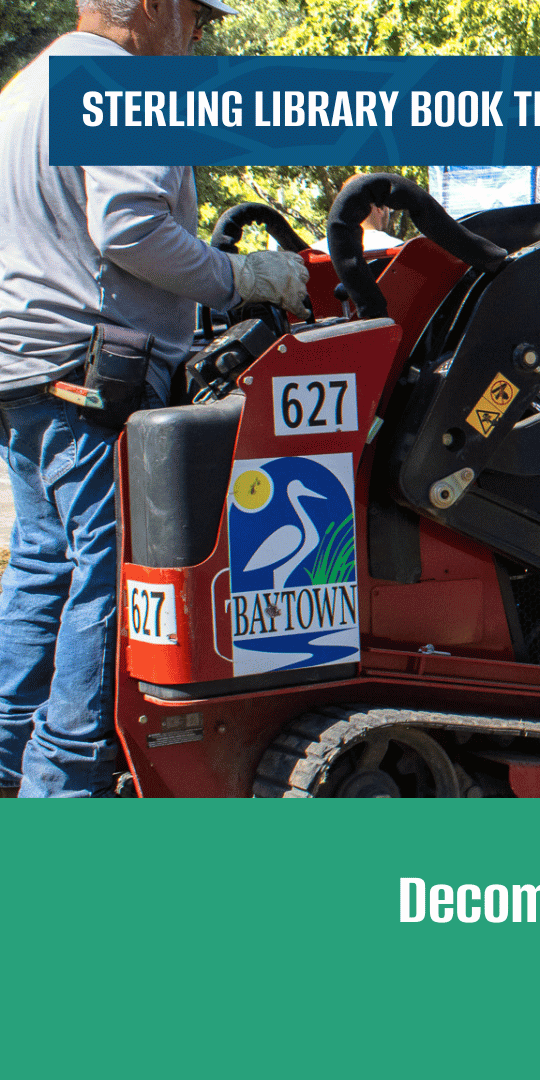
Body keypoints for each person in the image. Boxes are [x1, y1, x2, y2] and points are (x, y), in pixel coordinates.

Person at [0, 0, 309, 797]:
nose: (198, 35)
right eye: (197, 17)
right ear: (149, 6)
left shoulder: (28, 88)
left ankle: (7, 753)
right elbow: (130, 229)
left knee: (44, 562)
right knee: (111, 572)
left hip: (26, 372)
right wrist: (237, 276)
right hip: (92, 377)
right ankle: (65, 780)